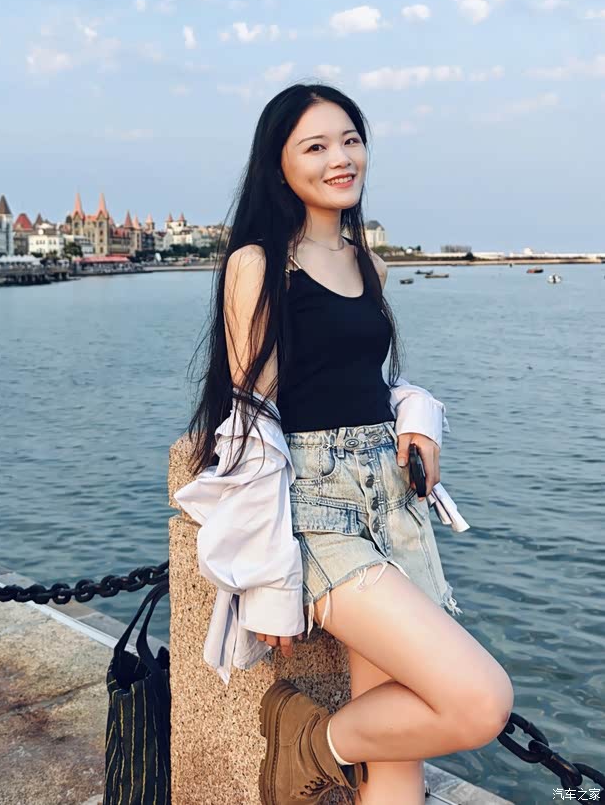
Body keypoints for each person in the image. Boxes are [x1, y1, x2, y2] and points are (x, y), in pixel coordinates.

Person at [174, 83, 514, 805]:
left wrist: (417, 413)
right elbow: (251, 420)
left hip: (394, 503)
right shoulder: (261, 264)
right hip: (320, 509)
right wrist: (269, 582)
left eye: (351, 140)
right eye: (316, 146)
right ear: (279, 164)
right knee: (480, 701)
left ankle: (328, 750)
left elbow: (365, 380)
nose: (341, 158)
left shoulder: (370, 264)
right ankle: (312, 744)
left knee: (398, 762)